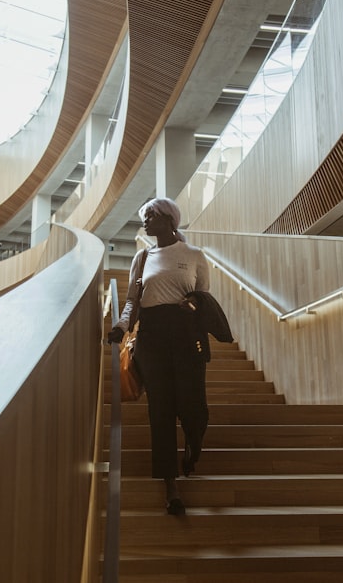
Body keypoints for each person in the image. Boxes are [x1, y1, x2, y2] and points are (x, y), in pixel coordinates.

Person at [107, 197, 210, 516]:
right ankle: (171, 485)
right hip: (151, 337)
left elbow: (206, 299)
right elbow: (131, 300)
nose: (145, 222)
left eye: (151, 216)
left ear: (170, 220)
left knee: (194, 409)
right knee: (160, 410)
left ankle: (193, 446)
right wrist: (122, 326)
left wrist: (193, 304)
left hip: (186, 336)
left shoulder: (194, 256)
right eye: (144, 217)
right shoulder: (142, 256)